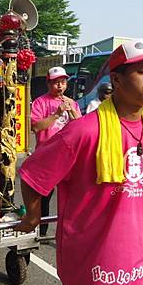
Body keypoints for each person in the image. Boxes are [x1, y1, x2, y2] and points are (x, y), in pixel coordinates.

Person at [16, 39, 143, 285]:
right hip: (93, 260)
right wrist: (33, 216)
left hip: (139, 258)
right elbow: (32, 173)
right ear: (116, 79)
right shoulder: (84, 131)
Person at [30, 66, 81, 235]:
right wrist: (56, 114)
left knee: (70, 197)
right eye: (56, 83)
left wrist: (72, 110)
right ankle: (41, 231)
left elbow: (80, 127)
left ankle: (68, 231)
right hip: (47, 157)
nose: (60, 86)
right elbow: (36, 127)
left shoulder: (71, 102)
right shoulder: (40, 102)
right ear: (48, 83)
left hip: (68, 156)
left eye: (63, 82)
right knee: (44, 197)